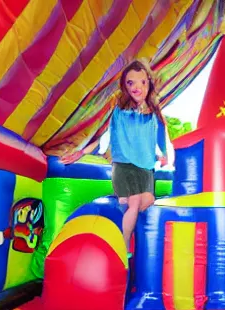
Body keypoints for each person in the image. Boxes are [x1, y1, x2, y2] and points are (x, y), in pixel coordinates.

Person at [61, 60, 171, 255]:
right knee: (135, 201)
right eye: (131, 83)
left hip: (145, 171)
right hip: (124, 167)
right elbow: (104, 136)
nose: (137, 87)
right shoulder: (120, 111)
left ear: (149, 84)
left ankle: (125, 211)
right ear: (125, 86)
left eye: (141, 82)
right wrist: (81, 152)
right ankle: (124, 247)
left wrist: (162, 155)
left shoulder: (153, 114)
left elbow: (159, 137)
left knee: (148, 201)